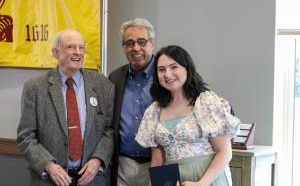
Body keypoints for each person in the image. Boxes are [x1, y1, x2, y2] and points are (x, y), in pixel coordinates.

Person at [16, 29, 115, 186]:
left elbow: (110, 129)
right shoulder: (35, 88)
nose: (78, 52)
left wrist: (98, 160)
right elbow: (25, 136)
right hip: (50, 179)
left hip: (92, 179)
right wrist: (48, 165)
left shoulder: (103, 85)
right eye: (71, 47)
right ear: (55, 52)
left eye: (81, 47)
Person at [135, 45, 240, 186]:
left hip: (209, 178)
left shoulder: (205, 101)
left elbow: (224, 152)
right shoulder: (153, 111)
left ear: (187, 68)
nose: (167, 74)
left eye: (174, 67)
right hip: (173, 181)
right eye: (161, 69)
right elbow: (157, 163)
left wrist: (201, 183)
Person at [108, 18, 155, 186]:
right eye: (129, 43)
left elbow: (195, 99)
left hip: (158, 163)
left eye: (141, 42)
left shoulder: (167, 74)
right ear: (124, 47)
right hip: (123, 166)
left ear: (152, 43)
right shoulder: (115, 78)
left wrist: (225, 107)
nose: (136, 48)